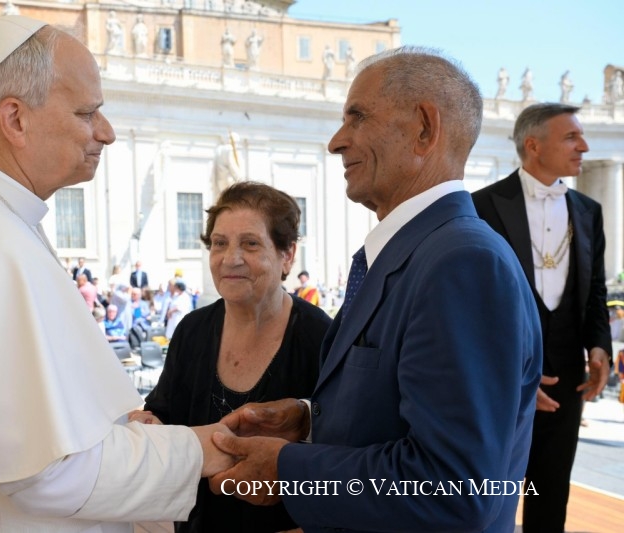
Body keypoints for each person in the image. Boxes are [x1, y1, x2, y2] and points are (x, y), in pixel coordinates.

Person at [0, 15, 233, 531]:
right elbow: (48, 473)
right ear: (15, 120)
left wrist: (113, 425)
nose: (106, 132)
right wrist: (202, 449)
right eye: (87, 113)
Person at [209, 47, 542, 533]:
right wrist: (311, 420)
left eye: (358, 117)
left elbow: (454, 487)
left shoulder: (463, 263)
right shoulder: (416, 253)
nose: (336, 142)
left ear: (424, 128)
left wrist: (288, 470)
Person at [133, 181, 332, 532]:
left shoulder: (321, 337)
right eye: (219, 243)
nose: (230, 258)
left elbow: (340, 450)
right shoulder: (192, 330)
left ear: (287, 255)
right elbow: (165, 412)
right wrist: (150, 425)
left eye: (250, 243)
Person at [472, 102, 612, 532]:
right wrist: (513, 377)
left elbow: (595, 290)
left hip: (569, 378)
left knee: (551, 495)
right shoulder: (481, 205)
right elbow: (475, 303)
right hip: (500, 380)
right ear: (533, 145)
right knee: (489, 498)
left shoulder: (589, 211)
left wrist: (600, 346)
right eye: (571, 137)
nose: (584, 147)